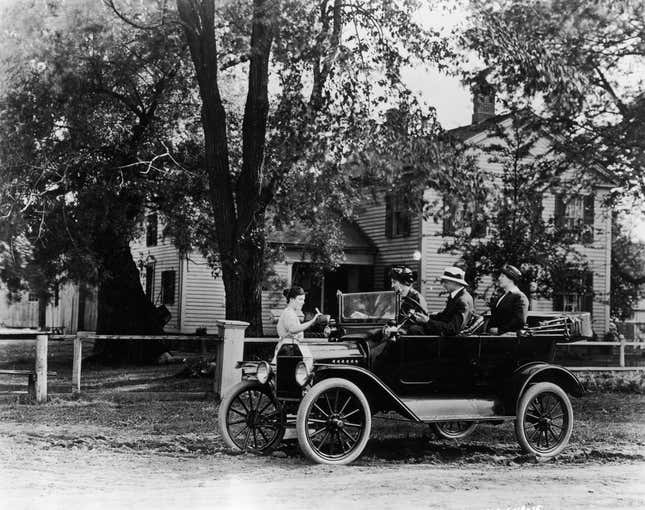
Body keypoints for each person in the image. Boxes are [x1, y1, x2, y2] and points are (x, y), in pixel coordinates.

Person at [418, 266, 474, 336]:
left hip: (453, 340)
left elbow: (453, 329)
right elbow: (445, 316)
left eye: (446, 282)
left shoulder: (462, 300)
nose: (443, 285)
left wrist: (428, 321)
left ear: (455, 282)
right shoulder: (456, 297)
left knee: (415, 330)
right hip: (447, 337)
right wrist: (427, 317)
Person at [272, 286, 321, 362]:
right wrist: (313, 321)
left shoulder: (292, 313)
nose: (303, 302)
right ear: (292, 299)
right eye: (300, 299)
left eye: (303, 300)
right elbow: (293, 329)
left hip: (291, 350)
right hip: (287, 351)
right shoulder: (288, 313)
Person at [488, 264, 529, 334]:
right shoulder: (502, 296)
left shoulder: (520, 297)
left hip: (509, 340)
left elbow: (520, 321)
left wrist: (499, 330)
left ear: (511, 279)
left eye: (502, 276)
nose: (499, 278)